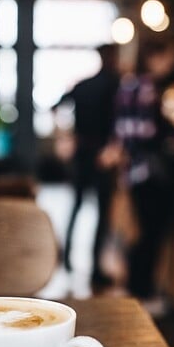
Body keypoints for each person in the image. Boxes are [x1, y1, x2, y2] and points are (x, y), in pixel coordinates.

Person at [112, 37, 174, 311]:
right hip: (150, 172)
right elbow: (147, 134)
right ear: (153, 57)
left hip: (135, 171)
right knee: (151, 233)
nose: (170, 65)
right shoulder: (146, 89)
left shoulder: (128, 86)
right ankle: (141, 292)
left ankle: (137, 289)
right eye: (167, 59)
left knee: (142, 231)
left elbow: (123, 132)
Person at [55, 44, 120, 287]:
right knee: (102, 213)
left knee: (77, 205)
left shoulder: (82, 85)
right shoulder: (116, 84)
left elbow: (56, 107)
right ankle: (94, 269)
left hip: (81, 152)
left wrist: (65, 137)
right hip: (103, 155)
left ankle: (67, 258)